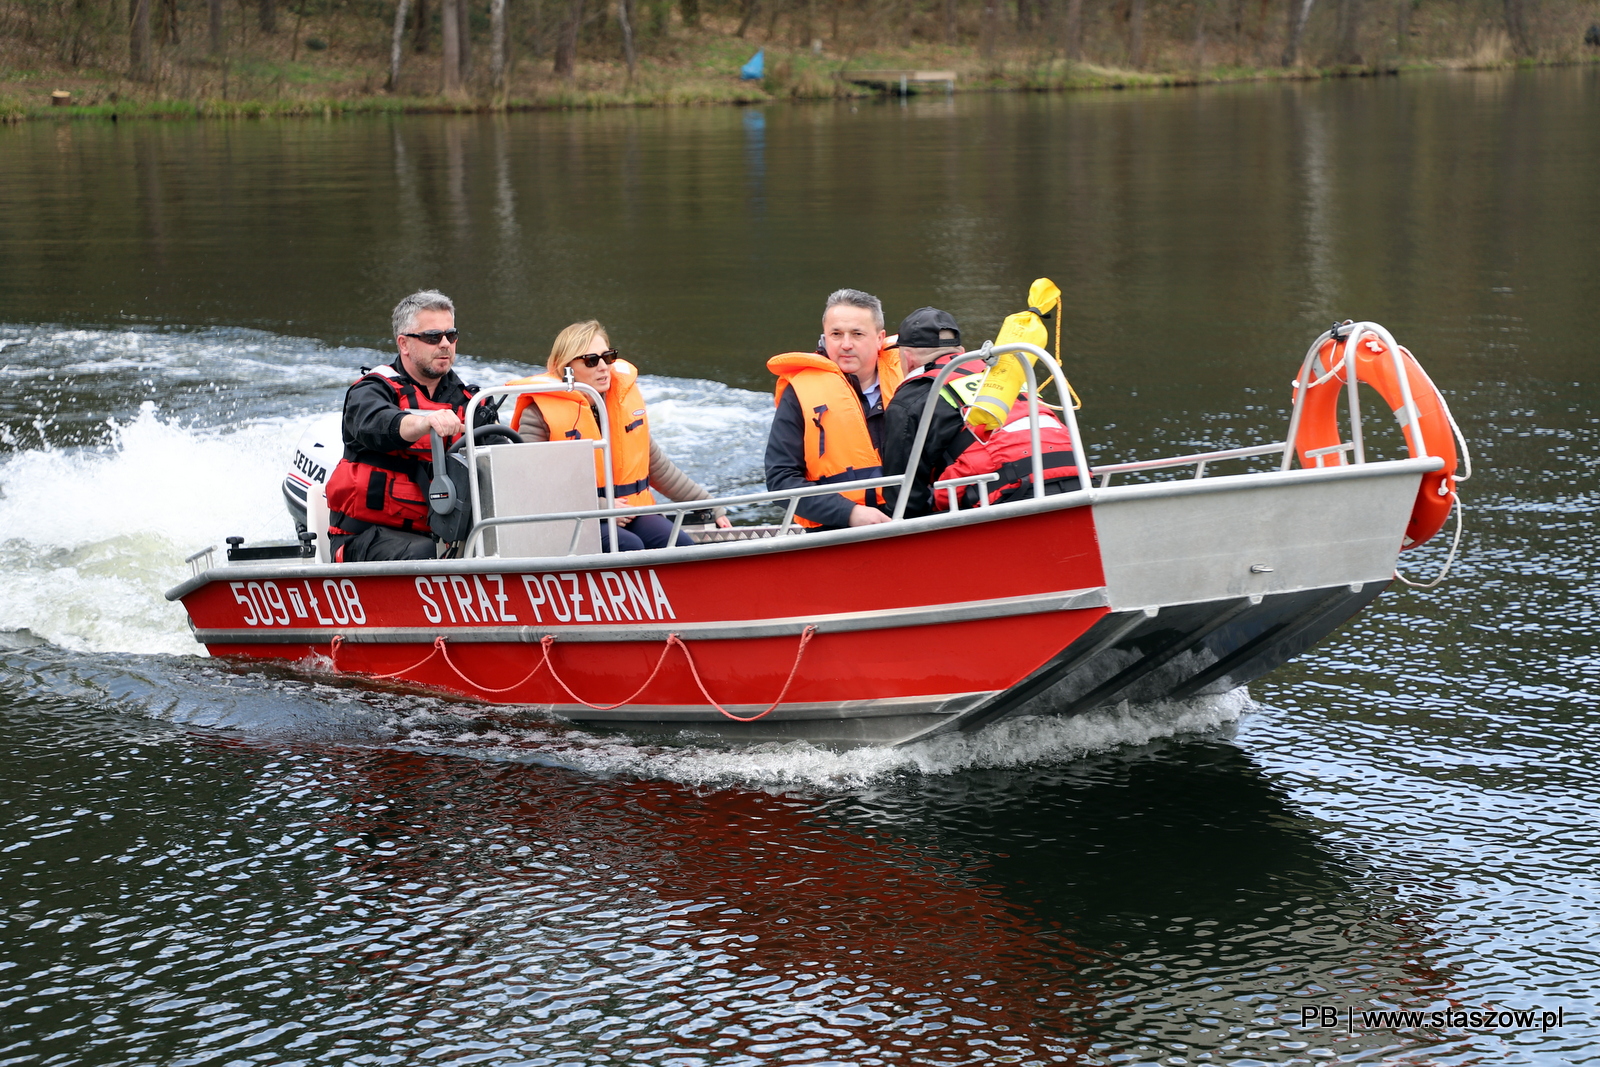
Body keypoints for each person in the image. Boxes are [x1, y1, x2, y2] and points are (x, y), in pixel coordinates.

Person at [506, 321, 730, 552]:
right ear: (566, 368)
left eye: (608, 357)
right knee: (628, 545)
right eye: (591, 360)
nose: (603, 367)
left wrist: (711, 507)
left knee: (678, 543)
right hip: (568, 518)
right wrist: (601, 507)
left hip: (625, 511)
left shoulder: (620, 404)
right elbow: (531, 487)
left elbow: (658, 468)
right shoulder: (538, 413)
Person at [325, 290, 496, 562]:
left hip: (450, 539)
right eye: (432, 337)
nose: (445, 344)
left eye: (451, 336)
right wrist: (423, 423)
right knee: (423, 552)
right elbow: (377, 423)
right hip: (366, 539)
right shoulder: (370, 392)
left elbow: (500, 460)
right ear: (404, 344)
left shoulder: (473, 403)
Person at [881, 305, 1082, 517]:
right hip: (1076, 474)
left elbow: (904, 497)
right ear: (960, 351)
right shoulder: (1002, 374)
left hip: (1007, 496)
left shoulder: (909, 400)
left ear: (907, 358)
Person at [763, 288, 906, 530]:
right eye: (836, 334)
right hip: (837, 529)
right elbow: (781, 480)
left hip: (914, 517)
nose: (846, 344)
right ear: (824, 338)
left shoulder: (911, 381)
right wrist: (849, 513)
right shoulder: (799, 393)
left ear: (880, 338)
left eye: (857, 334)